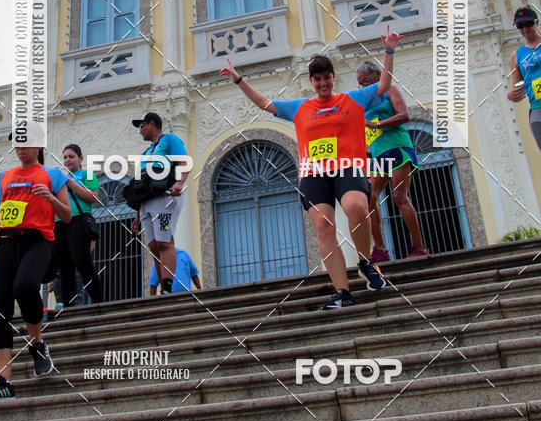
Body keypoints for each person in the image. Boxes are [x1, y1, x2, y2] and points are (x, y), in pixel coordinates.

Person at [220, 27, 403, 310]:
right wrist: (239, 80)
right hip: (313, 174)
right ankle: (342, 292)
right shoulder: (300, 107)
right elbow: (264, 104)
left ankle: (365, 262)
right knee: (323, 226)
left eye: (326, 77)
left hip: (348, 167)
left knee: (357, 206)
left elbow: (384, 84)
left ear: (333, 77)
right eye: (317, 79)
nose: (322, 83)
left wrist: (389, 50)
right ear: (311, 81)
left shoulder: (353, 99)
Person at [0, 123, 71, 402]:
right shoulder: (4, 177)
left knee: (25, 286)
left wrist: (50, 197)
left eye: (26, 142)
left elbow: (67, 215)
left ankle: (37, 343)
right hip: (7, 243)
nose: (21, 149)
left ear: (39, 144)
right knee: (0, 310)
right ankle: (3, 381)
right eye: (17, 144)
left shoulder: (52, 174)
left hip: (38, 242)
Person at [356, 61, 429, 261]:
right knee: (369, 197)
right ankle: (380, 249)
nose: (363, 86)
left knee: (399, 196)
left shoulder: (390, 90)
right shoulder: (365, 101)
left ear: (378, 75)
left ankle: (419, 247)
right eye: (360, 83)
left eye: (366, 80)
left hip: (397, 147)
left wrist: (378, 124)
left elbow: (404, 115)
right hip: (379, 154)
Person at [130, 112, 189, 295]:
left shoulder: (169, 140)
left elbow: (184, 161)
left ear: (152, 124)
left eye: (142, 126)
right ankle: (163, 283)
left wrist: (180, 182)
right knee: (154, 246)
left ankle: (168, 287)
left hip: (164, 199)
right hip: (146, 204)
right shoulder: (145, 153)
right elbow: (142, 183)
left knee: (164, 242)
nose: (140, 131)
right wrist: (137, 215)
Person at [54, 144, 102, 307]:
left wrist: (69, 182)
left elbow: (93, 197)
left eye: (71, 156)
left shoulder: (87, 175)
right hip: (60, 222)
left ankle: (98, 301)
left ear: (80, 158)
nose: (68, 160)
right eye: (65, 157)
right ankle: (68, 304)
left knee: (82, 262)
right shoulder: (60, 179)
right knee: (64, 265)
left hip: (78, 220)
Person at [507, 5, 541, 152]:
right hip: (537, 108)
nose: (525, 28)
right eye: (520, 25)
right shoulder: (516, 55)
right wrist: (511, 95)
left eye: (528, 24)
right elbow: (517, 89)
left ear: (536, 22)